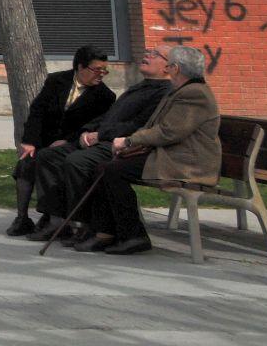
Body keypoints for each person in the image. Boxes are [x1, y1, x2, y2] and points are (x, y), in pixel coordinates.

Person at [71, 44, 221, 257]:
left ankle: (132, 235)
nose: (167, 68)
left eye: (169, 65)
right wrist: (134, 144)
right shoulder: (181, 91)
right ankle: (107, 232)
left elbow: (169, 132)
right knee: (108, 168)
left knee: (111, 171)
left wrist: (129, 142)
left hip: (187, 164)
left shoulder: (194, 94)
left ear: (176, 68)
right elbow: (155, 127)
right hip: (171, 156)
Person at [30, 46, 172, 241]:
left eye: (156, 54)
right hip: (101, 138)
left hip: (119, 143)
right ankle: (57, 219)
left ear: (168, 67)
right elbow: (109, 116)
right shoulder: (139, 86)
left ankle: (84, 224)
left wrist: (100, 135)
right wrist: (85, 132)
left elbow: (137, 125)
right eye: (148, 51)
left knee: (77, 161)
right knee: (49, 156)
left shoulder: (164, 92)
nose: (147, 55)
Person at [4, 44, 114, 235]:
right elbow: (37, 111)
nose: (101, 74)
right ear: (80, 67)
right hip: (46, 141)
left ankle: (53, 219)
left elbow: (93, 126)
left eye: (105, 70)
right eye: (97, 69)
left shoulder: (105, 96)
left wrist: (68, 141)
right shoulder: (57, 81)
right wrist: (29, 141)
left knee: (48, 160)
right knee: (26, 162)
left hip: (73, 146)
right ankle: (22, 218)